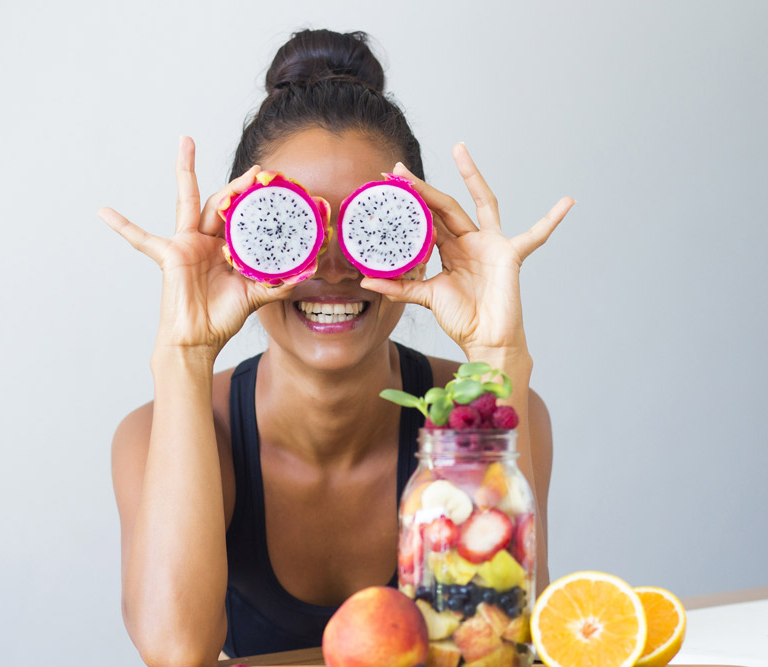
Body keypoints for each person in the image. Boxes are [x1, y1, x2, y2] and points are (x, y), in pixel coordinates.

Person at [100, 29, 574, 667]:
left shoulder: (504, 415)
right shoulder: (159, 434)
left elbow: (493, 640)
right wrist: (184, 354)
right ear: (235, 244)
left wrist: (497, 356)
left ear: (424, 238)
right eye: (287, 227)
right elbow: (176, 651)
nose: (330, 267)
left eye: (373, 226)